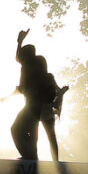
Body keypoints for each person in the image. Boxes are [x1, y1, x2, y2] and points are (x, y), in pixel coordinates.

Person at [12, 30, 68, 161]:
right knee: (49, 135)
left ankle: (32, 157)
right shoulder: (45, 73)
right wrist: (19, 42)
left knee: (25, 131)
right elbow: (19, 58)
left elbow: (18, 58)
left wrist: (19, 42)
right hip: (46, 108)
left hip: (35, 107)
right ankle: (52, 160)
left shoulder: (30, 67)